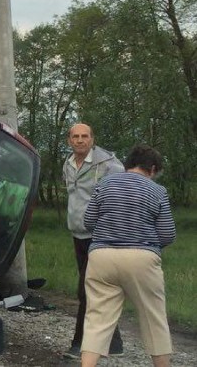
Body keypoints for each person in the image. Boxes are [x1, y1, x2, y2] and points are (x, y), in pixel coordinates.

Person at [81, 144, 176, 367]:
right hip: (141, 257)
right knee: (154, 318)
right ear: (152, 169)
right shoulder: (157, 191)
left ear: (128, 164)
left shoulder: (104, 184)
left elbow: (88, 221)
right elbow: (168, 233)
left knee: (97, 319)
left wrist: (107, 235)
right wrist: (151, 246)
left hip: (101, 256)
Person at [61, 122, 124, 360]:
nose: (80, 140)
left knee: (86, 290)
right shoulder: (68, 163)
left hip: (99, 237)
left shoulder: (109, 165)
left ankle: (80, 344)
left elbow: (121, 198)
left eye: (84, 136)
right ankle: (114, 341)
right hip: (78, 235)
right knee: (93, 289)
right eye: (75, 137)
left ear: (92, 139)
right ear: (69, 140)